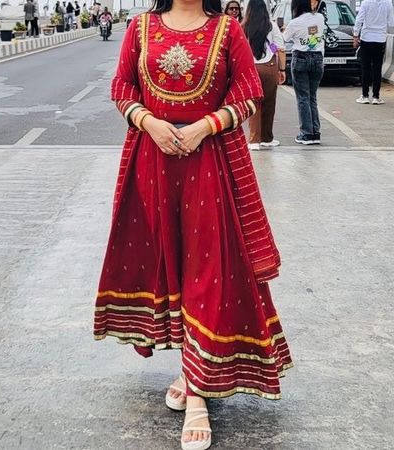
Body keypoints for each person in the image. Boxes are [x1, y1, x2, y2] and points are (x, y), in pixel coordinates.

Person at [95, 1, 293, 449]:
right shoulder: (141, 27)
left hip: (211, 162)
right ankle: (189, 368)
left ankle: (199, 394)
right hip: (152, 161)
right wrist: (149, 122)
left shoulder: (227, 30)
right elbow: (122, 88)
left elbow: (247, 94)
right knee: (171, 268)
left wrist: (205, 127)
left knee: (209, 272)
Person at [243, 0, 286, 150]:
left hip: (250, 68)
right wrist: (282, 69)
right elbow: (279, 48)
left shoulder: (243, 27)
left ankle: (254, 140)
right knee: (269, 102)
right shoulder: (271, 26)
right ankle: (267, 138)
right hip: (269, 67)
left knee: (254, 103)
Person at [283, 0, 325, 145]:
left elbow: (283, 40)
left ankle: (306, 134)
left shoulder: (294, 22)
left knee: (303, 98)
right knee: (312, 97)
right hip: (318, 59)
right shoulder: (320, 18)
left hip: (300, 58)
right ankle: (315, 133)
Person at [353, 0, 394, 104]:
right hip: (380, 39)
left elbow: (359, 20)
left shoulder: (366, 3)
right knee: (377, 68)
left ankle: (365, 95)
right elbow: (392, 23)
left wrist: (355, 35)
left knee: (365, 67)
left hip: (366, 38)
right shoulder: (388, 3)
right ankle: (376, 97)